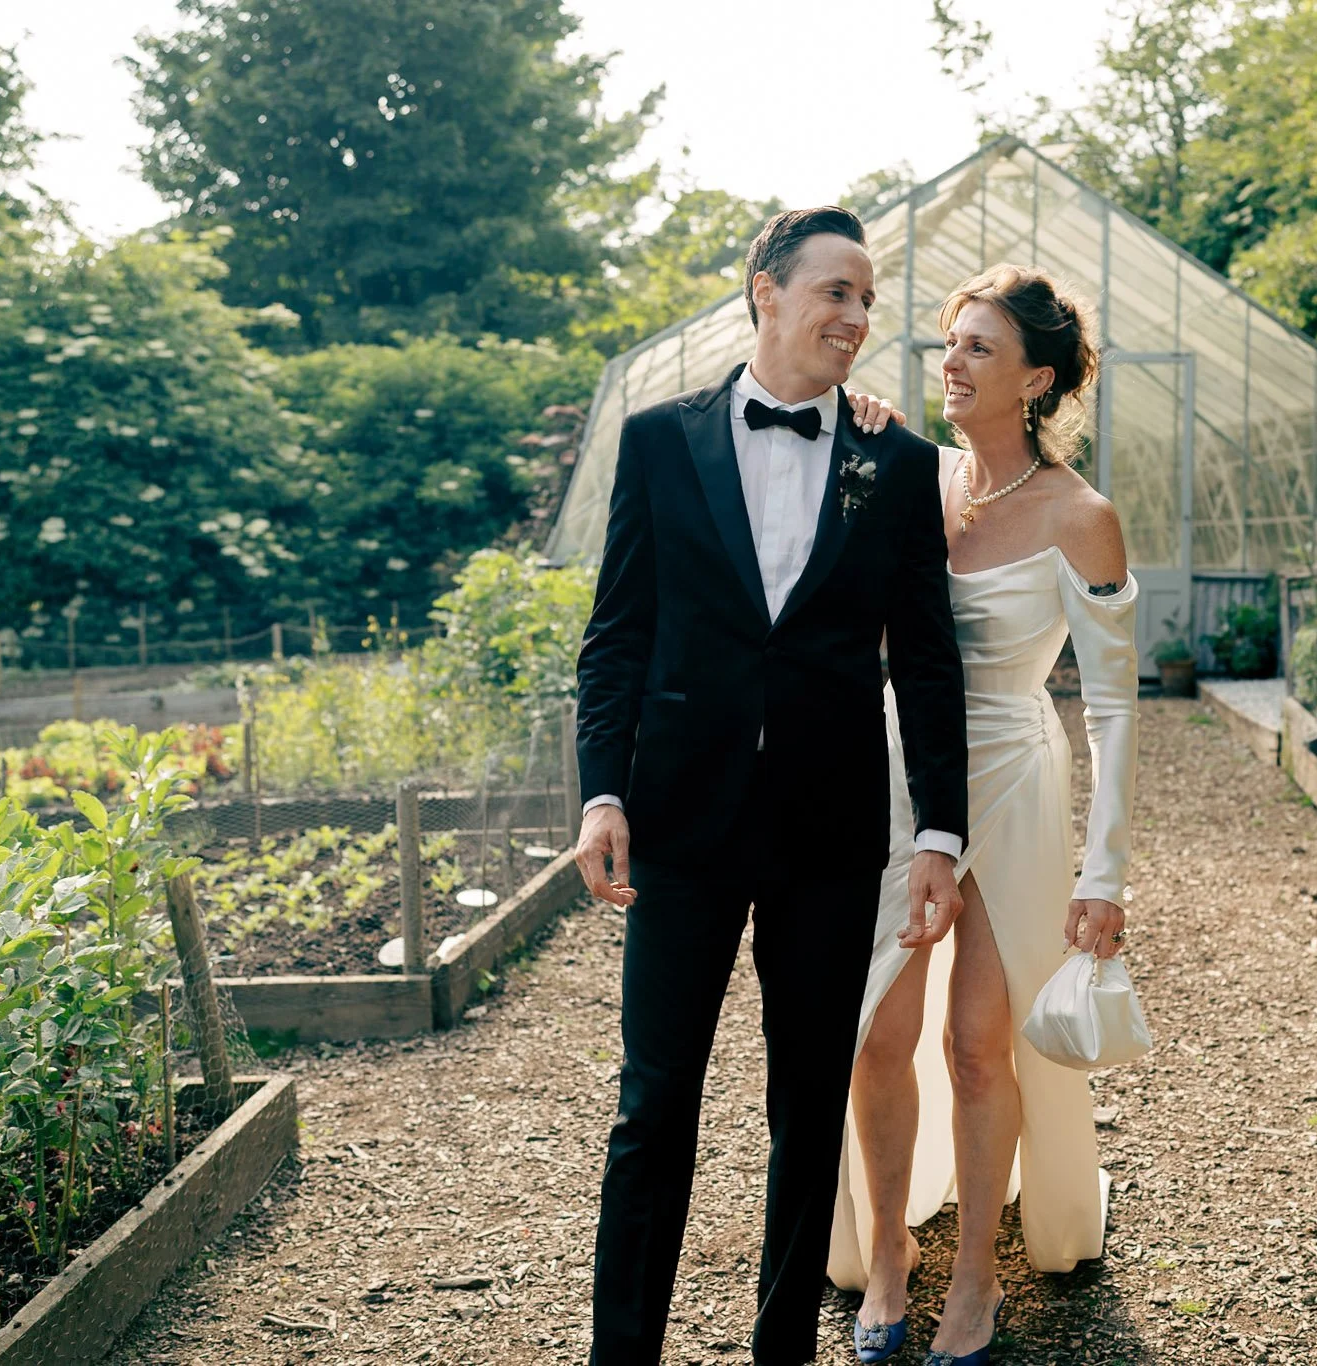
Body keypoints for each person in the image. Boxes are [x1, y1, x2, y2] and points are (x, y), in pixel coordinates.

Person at [572, 205, 971, 1366]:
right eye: (833, 291)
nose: (854, 316)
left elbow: (926, 658)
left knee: (805, 1110)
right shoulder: (657, 441)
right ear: (765, 290)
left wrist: (938, 829)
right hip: (680, 825)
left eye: (865, 297)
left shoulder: (893, 463)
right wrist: (603, 792)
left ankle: (780, 1352)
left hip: (829, 836)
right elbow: (616, 637)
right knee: (653, 1110)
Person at [831, 265, 1138, 1366]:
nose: (947, 363)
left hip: (1012, 771)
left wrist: (1103, 874)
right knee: (872, 1026)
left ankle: (972, 1274)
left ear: (1035, 379)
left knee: (974, 1044)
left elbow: (1111, 705)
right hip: (896, 772)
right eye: (946, 343)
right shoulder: (907, 478)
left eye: (977, 349)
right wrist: (851, 429)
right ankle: (882, 1246)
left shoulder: (1080, 517)